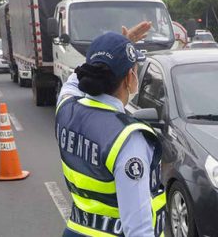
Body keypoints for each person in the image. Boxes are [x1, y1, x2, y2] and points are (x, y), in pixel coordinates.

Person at [55, 28, 166, 236]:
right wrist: (119, 47)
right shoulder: (128, 138)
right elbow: (138, 228)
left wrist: (116, 48)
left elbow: (73, 82)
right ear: (129, 77)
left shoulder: (66, 110)